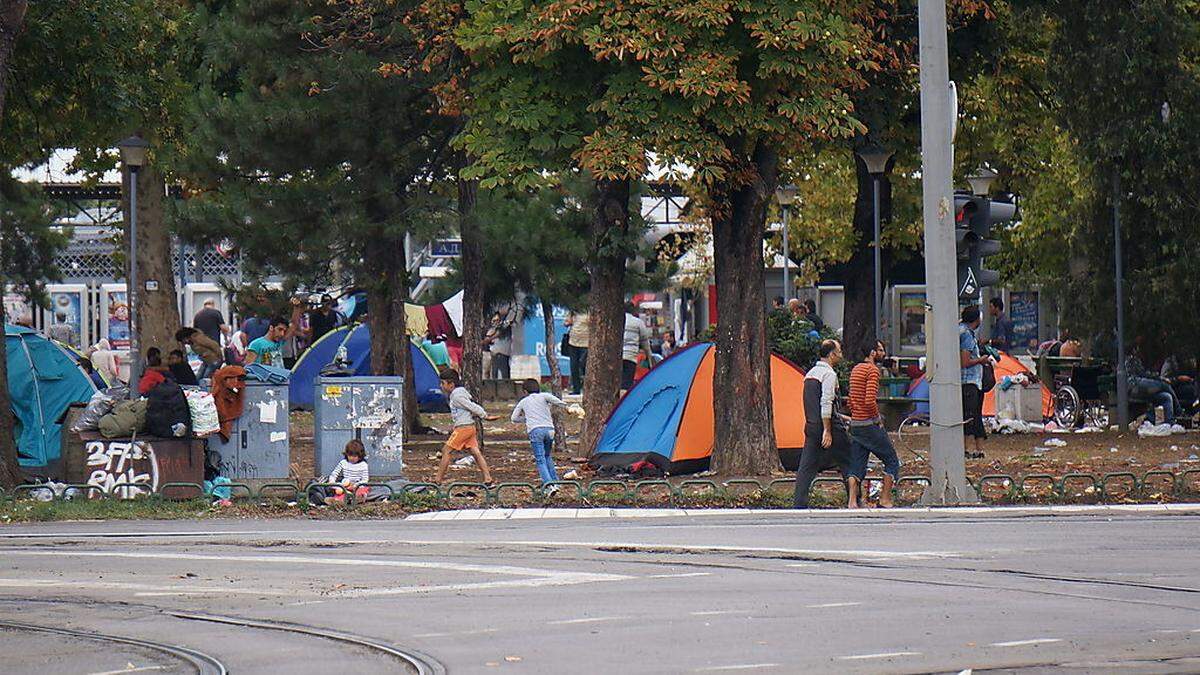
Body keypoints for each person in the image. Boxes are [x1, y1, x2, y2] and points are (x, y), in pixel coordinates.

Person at [793, 339, 851, 508]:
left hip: (811, 424)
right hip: (828, 425)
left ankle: (799, 502)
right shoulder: (829, 375)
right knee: (848, 460)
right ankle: (854, 498)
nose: (840, 355)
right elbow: (826, 402)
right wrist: (828, 429)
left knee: (806, 466)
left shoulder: (810, 374)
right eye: (839, 352)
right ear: (832, 354)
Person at [847, 340, 901, 508]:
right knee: (891, 460)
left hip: (856, 423)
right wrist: (877, 418)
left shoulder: (856, 369)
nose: (882, 353)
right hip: (869, 423)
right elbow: (870, 400)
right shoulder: (872, 370)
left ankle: (852, 501)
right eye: (879, 350)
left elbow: (850, 400)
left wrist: (856, 413)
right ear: (871, 353)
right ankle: (885, 499)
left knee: (857, 462)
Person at [435, 369, 497, 484]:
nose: (441, 386)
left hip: (463, 428)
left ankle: (437, 480)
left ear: (451, 384)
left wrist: (484, 415)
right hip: (469, 428)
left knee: (446, 451)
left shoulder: (457, 396)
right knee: (475, 452)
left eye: (443, 383)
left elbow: (472, 406)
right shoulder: (459, 394)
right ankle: (488, 478)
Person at [511, 378, 568, 486]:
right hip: (550, 430)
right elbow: (556, 401)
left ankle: (548, 485)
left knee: (540, 459)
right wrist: (567, 407)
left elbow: (514, 418)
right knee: (547, 456)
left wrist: (527, 418)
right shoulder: (544, 396)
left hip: (535, 430)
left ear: (525, 391)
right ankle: (555, 482)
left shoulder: (523, 401)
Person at [960, 306, 992, 459]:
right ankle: (966, 448)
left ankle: (979, 448)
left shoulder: (965, 332)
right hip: (969, 380)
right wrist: (981, 360)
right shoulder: (966, 335)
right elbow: (965, 361)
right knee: (970, 415)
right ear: (975, 319)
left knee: (976, 415)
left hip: (974, 381)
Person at [1126, 337, 1179, 424]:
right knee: (1164, 385)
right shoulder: (1130, 359)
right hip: (1135, 385)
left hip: (1142, 389)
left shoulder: (1137, 359)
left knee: (1166, 396)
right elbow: (1143, 374)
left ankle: (1170, 421)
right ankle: (1180, 412)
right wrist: (1159, 378)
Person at [245, 301, 302, 367]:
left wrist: (297, 307)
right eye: (280, 329)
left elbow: (294, 325)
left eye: (284, 331)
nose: (282, 334)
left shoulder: (279, 342)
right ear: (271, 328)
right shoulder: (256, 344)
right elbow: (248, 368)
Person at [324, 439, 371, 504]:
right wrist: (333, 482)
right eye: (350, 455)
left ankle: (357, 498)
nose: (351, 458)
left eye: (354, 456)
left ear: (360, 456)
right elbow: (334, 474)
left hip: (357, 487)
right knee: (340, 492)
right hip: (345, 486)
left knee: (364, 489)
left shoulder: (363, 465)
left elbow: (365, 480)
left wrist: (355, 485)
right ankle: (337, 501)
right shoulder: (343, 463)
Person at [622, 302, 653, 391]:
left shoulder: (617, 321)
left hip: (617, 357)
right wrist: (649, 357)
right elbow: (645, 343)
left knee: (618, 382)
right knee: (627, 383)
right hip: (631, 357)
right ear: (633, 310)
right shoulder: (638, 322)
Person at [485, 311, 513, 380]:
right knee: (493, 376)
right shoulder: (491, 329)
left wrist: (484, 341)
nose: (495, 322)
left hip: (502, 355)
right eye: (493, 321)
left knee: (503, 377)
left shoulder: (504, 327)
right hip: (493, 356)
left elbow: (497, 334)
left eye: (497, 320)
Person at [567, 312, 589, 395]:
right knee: (574, 366)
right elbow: (566, 322)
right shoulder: (573, 311)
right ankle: (576, 389)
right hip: (573, 342)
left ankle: (586, 388)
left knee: (583, 365)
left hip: (585, 343)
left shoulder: (589, 311)